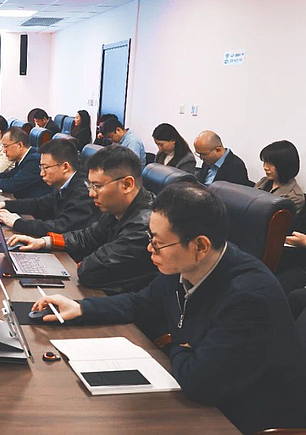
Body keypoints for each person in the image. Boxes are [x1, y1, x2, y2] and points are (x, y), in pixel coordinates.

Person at [32, 184, 306, 434]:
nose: (150, 248)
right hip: (202, 396)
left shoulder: (249, 297)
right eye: (151, 238)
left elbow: (200, 383)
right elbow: (142, 303)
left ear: (200, 246)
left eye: (158, 242)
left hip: (245, 417)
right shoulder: (183, 266)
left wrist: (176, 344)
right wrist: (81, 308)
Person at [7, 145, 157, 294]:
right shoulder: (118, 208)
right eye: (90, 186)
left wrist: (81, 263)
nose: (91, 194)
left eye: (97, 186)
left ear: (127, 185)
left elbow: (91, 271)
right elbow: (88, 236)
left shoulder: (145, 226)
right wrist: (45, 242)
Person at [0, 138, 100, 237]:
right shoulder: (65, 183)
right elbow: (40, 203)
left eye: (46, 168)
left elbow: (62, 227)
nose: (41, 173)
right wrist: (4, 204)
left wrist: (17, 223)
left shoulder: (83, 191)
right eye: (41, 168)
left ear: (65, 167)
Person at [255, 140, 304, 213]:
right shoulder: (263, 182)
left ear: (284, 166)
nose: (265, 167)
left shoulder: (294, 196)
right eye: (265, 162)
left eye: (271, 164)